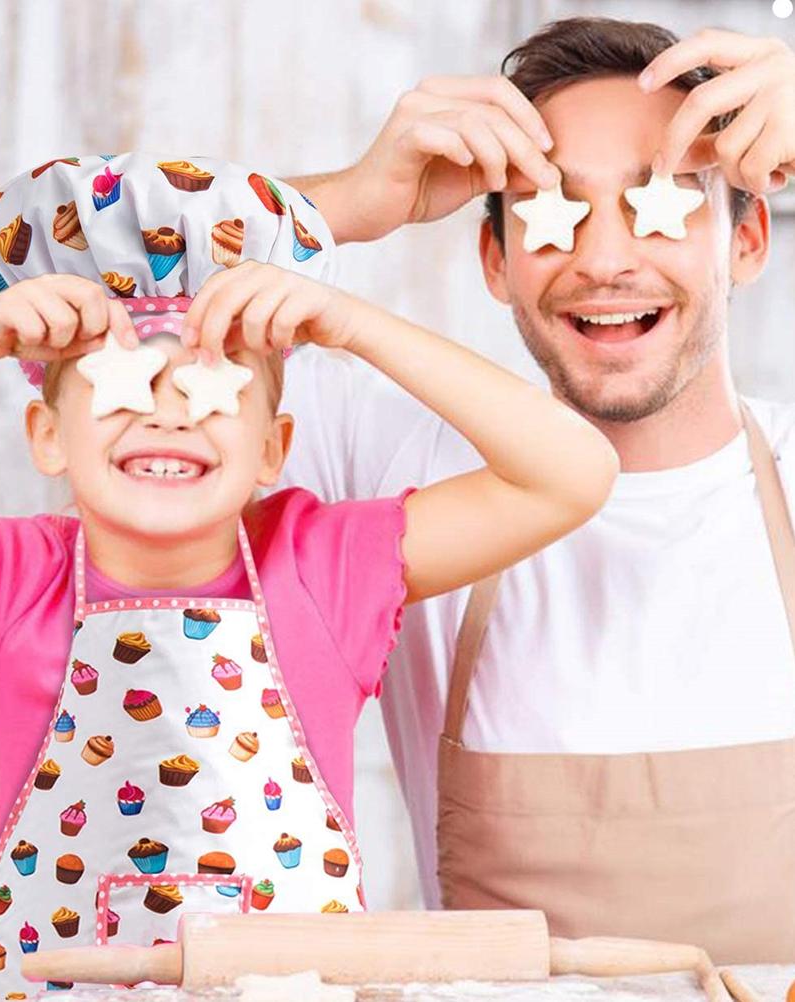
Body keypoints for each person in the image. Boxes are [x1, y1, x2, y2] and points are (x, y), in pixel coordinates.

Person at [0, 152, 614, 997]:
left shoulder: (324, 568)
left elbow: (570, 473)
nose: (168, 409)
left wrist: (350, 324)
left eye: (210, 385)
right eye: (127, 385)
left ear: (271, 448)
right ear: (46, 436)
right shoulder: (3, 582)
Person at [280, 17, 795, 962]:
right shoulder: (392, 463)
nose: (604, 260)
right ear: (496, 262)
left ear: (748, 239)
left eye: (664, 204)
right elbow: (79, 313)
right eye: (557, 209)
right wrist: (347, 204)